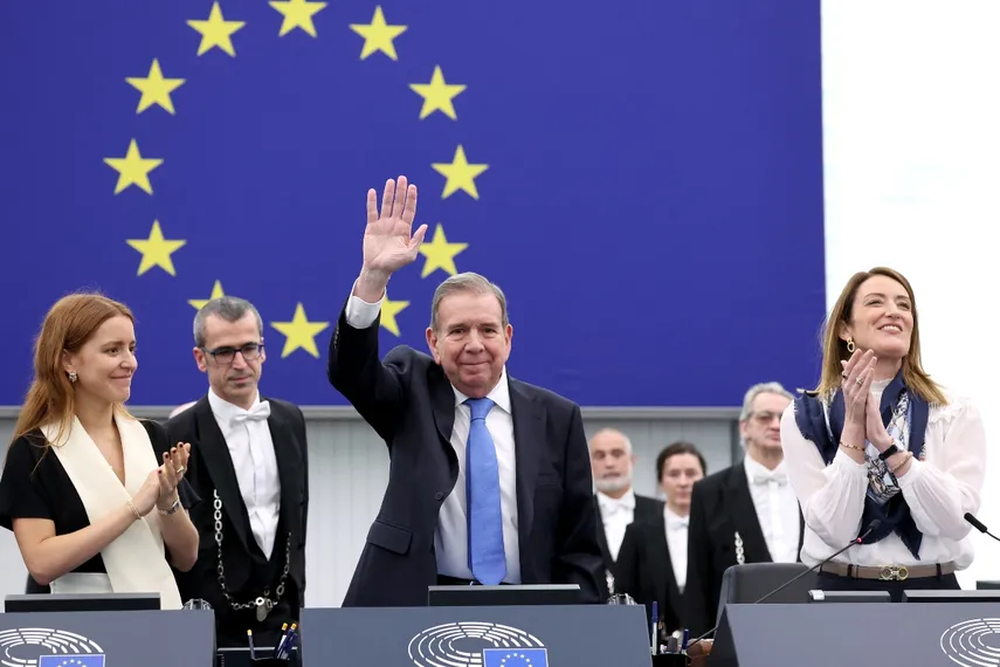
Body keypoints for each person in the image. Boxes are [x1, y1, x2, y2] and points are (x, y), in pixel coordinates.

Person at [327, 175, 603, 607]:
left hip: (528, 606)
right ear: (433, 343)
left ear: (508, 338)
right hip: (418, 602)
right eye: (457, 330)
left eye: (487, 329)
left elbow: (579, 542)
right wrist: (372, 278)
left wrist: (582, 627)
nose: (474, 343)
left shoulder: (557, 417)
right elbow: (351, 373)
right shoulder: (410, 388)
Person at [781, 267, 986, 600]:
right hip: (843, 593)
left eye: (904, 305)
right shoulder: (805, 416)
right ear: (845, 329)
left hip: (933, 592)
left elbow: (955, 521)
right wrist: (853, 431)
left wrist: (889, 448)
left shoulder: (953, 410)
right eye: (876, 302)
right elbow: (835, 530)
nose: (894, 311)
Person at [0, 293, 199, 609]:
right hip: (78, 629)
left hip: (161, 624)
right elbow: (41, 563)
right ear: (68, 360)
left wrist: (167, 501)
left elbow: (187, 557)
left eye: (131, 349)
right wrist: (133, 508)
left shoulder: (151, 436)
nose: (129, 362)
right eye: (112, 350)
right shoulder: (34, 451)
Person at [167, 296, 309, 648]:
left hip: (283, 617)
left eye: (249, 348)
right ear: (201, 359)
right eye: (225, 352)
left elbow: (296, 521)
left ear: (263, 351)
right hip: (206, 625)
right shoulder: (176, 433)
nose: (240, 363)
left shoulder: (290, 420)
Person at [683, 381, 803, 636]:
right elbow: (698, 580)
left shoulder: (815, 484)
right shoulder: (709, 492)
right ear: (745, 427)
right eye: (764, 417)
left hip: (808, 630)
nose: (774, 424)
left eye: (783, 418)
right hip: (738, 635)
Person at [616, 441, 706, 638]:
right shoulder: (637, 533)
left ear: (704, 479)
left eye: (691, 474)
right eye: (673, 474)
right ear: (660, 481)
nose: (683, 482)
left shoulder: (718, 530)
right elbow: (623, 595)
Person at [589, 428, 664, 600]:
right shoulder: (576, 515)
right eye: (600, 456)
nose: (609, 463)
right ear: (590, 464)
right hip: (589, 617)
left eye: (617, 454)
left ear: (632, 460)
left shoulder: (660, 512)